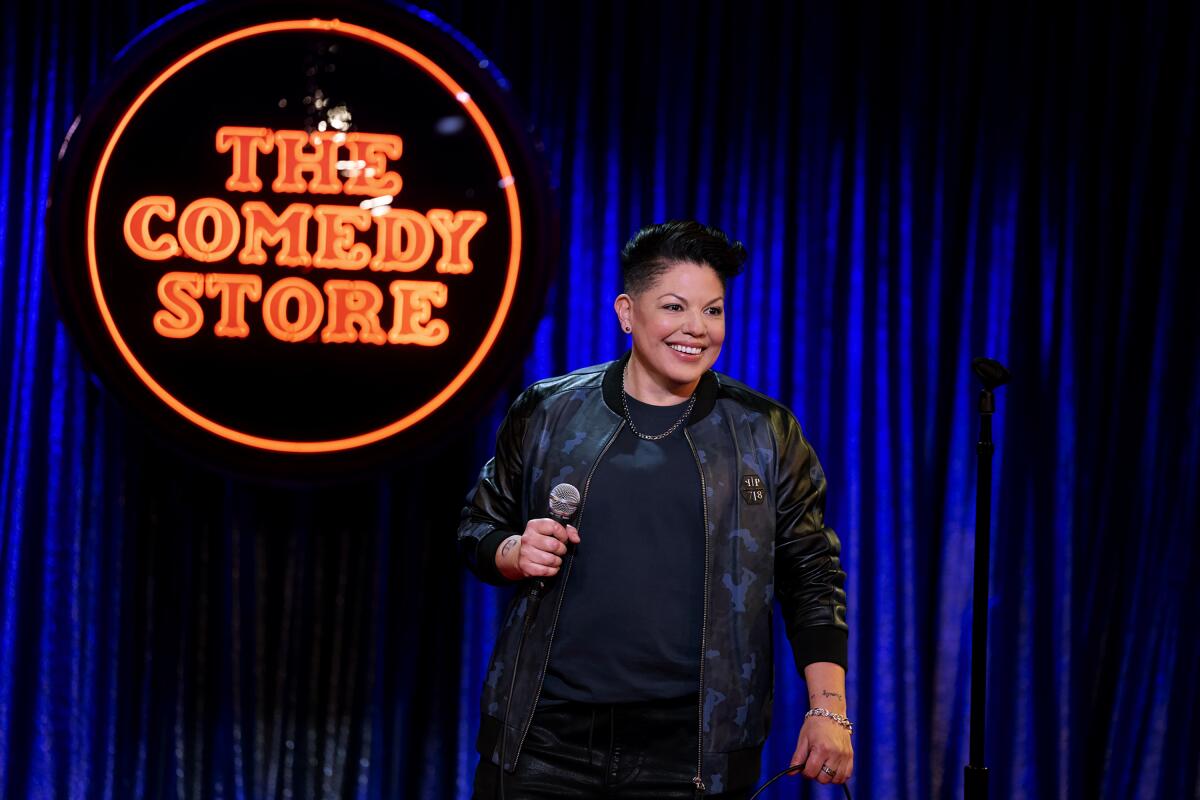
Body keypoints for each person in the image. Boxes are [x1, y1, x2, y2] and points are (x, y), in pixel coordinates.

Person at [458, 221, 852, 798]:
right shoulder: (548, 412)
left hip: (693, 749)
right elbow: (477, 527)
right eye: (674, 307)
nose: (697, 328)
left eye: (713, 311)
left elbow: (812, 575)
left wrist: (830, 710)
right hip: (544, 739)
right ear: (627, 311)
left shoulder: (765, 432)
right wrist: (514, 551)